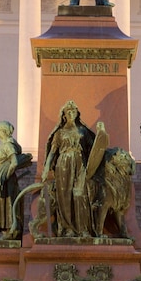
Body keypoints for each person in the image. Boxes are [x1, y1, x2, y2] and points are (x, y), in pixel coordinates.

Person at [42, 101, 95, 237]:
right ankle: (68, 228)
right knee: (64, 195)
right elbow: (52, 151)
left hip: (80, 162)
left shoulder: (83, 131)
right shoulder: (60, 133)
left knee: (80, 194)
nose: (71, 113)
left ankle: (83, 229)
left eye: (73, 111)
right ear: (64, 115)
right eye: (68, 112)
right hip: (63, 163)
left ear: (77, 113)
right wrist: (46, 168)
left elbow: (94, 148)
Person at [0, 121, 32, 241]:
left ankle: (9, 231)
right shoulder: (3, 145)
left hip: (5, 180)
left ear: (4, 131)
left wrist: (5, 175)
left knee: (6, 204)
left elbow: (14, 162)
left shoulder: (8, 145)